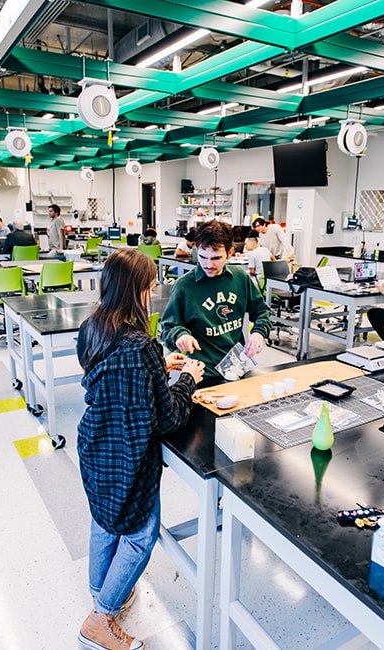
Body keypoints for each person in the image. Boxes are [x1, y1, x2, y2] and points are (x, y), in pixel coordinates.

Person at [76, 247, 205, 650]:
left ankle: (103, 592)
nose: (153, 293)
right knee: (139, 535)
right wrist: (186, 379)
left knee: (104, 521)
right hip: (129, 458)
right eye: (150, 287)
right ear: (138, 290)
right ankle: (100, 620)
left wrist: (158, 369)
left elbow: (113, 379)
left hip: (96, 446)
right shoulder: (141, 345)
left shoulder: (92, 328)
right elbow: (164, 419)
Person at [161, 220, 273, 383]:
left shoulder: (240, 278)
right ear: (196, 250)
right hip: (201, 373)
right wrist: (180, 335)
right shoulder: (184, 286)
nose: (209, 265)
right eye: (202, 257)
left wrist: (258, 333)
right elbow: (168, 327)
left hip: (237, 367)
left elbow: (262, 311)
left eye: (216, 258)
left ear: (230, 252)